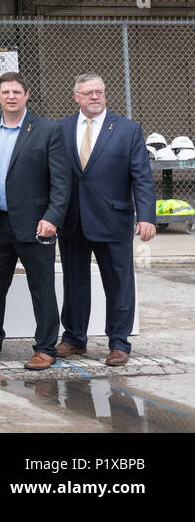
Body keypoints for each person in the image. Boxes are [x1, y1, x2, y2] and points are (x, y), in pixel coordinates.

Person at [0, 71, 70, 370]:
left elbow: (61, 182)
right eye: (5, 92)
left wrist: (52, 217)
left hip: (35, 223)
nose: (11, 96)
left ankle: (45, 348)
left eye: (17, 92)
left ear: (27, 95)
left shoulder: (47, 130)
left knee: (41, 287)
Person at [58, 73, 157, 366]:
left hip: (113, 220)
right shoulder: (61, 129)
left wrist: (147, 217)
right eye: (88, 93)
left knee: (118, 284)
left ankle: (119, 343)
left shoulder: (127, 130)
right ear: (76, 97)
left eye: (99, 92)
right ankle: (74, 339)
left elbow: (142, 177)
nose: (95, 97)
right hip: (72, 221)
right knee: (75, 283)